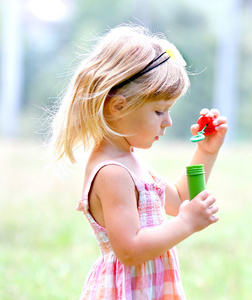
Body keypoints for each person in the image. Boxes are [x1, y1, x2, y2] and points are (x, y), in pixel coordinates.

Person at [50, 24, 228, 299]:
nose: (168, 122)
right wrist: (186, 224)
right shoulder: (112, 172)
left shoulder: (130, 161)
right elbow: (130, 250)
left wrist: (206, 151)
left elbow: (179, 199)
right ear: (118, 106)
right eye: (159, 111)